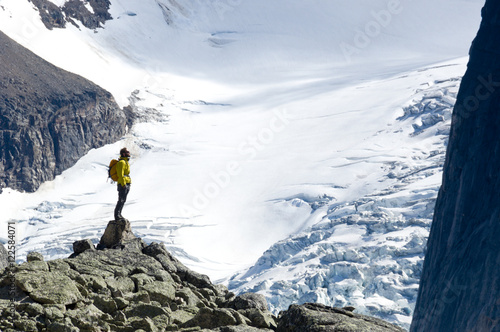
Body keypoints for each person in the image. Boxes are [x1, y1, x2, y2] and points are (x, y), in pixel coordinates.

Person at [114, 147, 132, 220]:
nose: (129, 153)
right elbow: (120, 174)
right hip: (123, 184)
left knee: (123, 200)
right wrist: (123, 184)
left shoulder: (125, 162)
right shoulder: (121, 162)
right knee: (121, 200)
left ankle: (119, 214)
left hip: (126, 183)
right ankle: (117, 215)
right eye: (127, 152)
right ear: (124, 154)